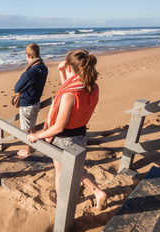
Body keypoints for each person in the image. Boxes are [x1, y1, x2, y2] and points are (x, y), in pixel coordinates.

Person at [26, 49, 107, 210]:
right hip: (80, 135)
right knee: (76, 167)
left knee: (60, 171)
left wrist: (38, 135)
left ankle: (63, 203)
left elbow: (58, 127)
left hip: (64, 139)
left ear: (71, 67)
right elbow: (69, 88)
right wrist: (63, 72)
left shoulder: (69, 94)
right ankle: (97, 193)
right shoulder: (93, 87)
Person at [14, 43, 48, 158]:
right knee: (32, 126)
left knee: (26, 130)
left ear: (28, 56)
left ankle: (28, 151)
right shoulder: (43, 68)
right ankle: (34, 146)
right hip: (36, 102)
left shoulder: (29, 73)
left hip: (27, 104)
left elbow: (17, 88)